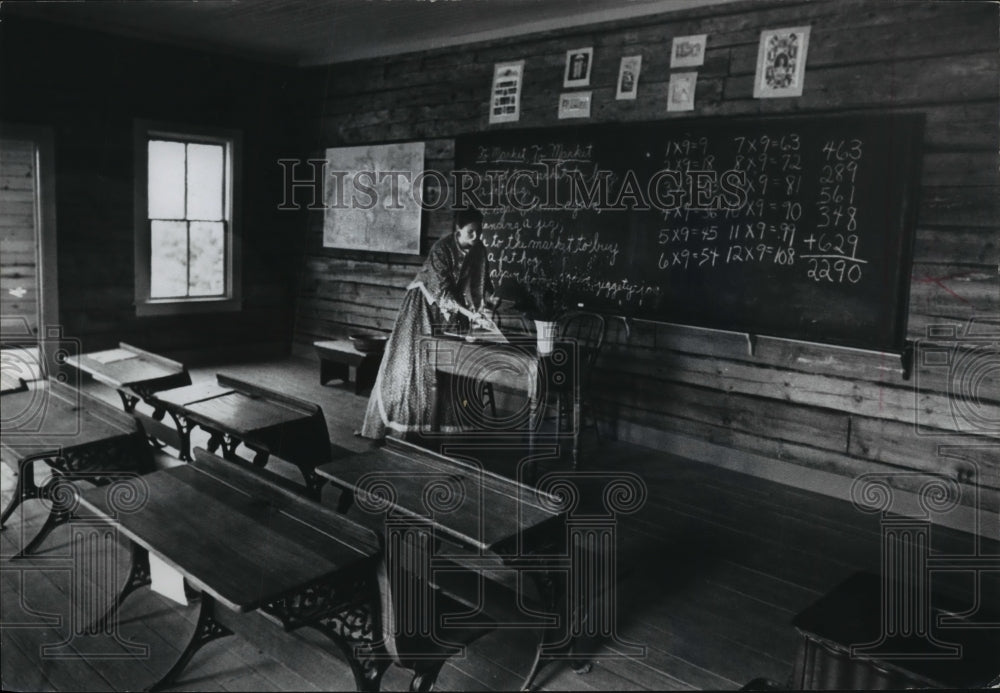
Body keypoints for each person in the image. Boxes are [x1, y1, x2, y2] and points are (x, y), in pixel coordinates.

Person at [360, 207, 494, 439]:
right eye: (471, 232)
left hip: (454, 311)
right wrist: (471, 315)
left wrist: (488, 301)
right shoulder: (441, 249)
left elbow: (481, 283)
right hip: (424, 305)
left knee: (454, 361)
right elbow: (443, 293)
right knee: (416, 364)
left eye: (479, 232)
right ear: (458, 230)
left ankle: (446, 428)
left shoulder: (478, 249)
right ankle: (408, 429)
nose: (476, 236)